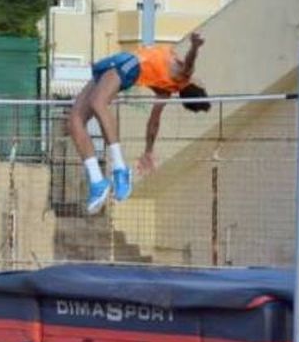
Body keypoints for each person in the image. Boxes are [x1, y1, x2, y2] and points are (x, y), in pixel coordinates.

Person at [68, 31, 210, 214]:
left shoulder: (182, 76)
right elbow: (154, 122)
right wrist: (149, 150)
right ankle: (97, 180)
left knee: (98, 102)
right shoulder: (165, 89)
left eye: (201, 82)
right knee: (74, 121)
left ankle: (120, 168)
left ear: (195, 85)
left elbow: (190, 63)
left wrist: (195, 46)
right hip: (116, 63)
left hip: (128, 64)